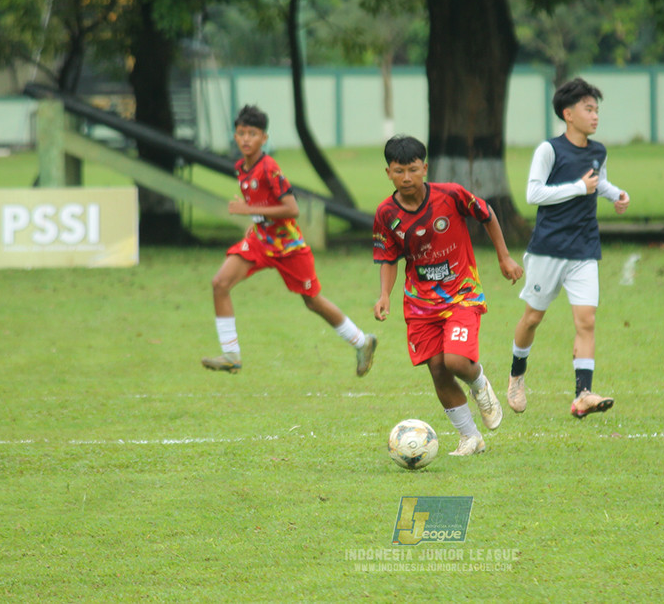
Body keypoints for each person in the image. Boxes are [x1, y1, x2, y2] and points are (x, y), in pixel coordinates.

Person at [372, 135, 523, 456]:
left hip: (461, 293)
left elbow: (487, 214)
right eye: (399, 171)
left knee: (456, 361)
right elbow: (387, 257)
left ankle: (480, 383)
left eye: (413, 169)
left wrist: (504, 257)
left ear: (425, 168)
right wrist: (384, 294)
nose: (407, 178)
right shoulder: (386, 214)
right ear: (388, 173)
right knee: (438, 370)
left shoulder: (451, 195)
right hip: (420, 303)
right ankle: (470, 438)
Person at [202, 104, 377, 376]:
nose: (246, 139)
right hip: (261, 242)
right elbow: (262, 204)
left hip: (289, 247)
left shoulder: (269, 167)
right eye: (241, 133)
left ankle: (362, 341)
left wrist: (251, 211)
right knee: (219, 283)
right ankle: (231, 354)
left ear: (264, 138)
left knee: (312, 301)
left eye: (252, 133)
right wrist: (254, 223)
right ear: (234, 136)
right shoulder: (241, 168)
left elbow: (291, 208)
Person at [507, 77, 630, 419]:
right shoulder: (550, 150)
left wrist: (616, 194)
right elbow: (534, 194)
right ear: (568, 113)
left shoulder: (597, 151)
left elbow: (598, 182)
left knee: (586, 321)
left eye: (597, 110)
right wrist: (578, 187)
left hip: (584, 247)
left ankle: (583, 395)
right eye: (588, 109)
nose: (595, 116)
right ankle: (517, 374)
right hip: (548, 248)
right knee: (532, 318)